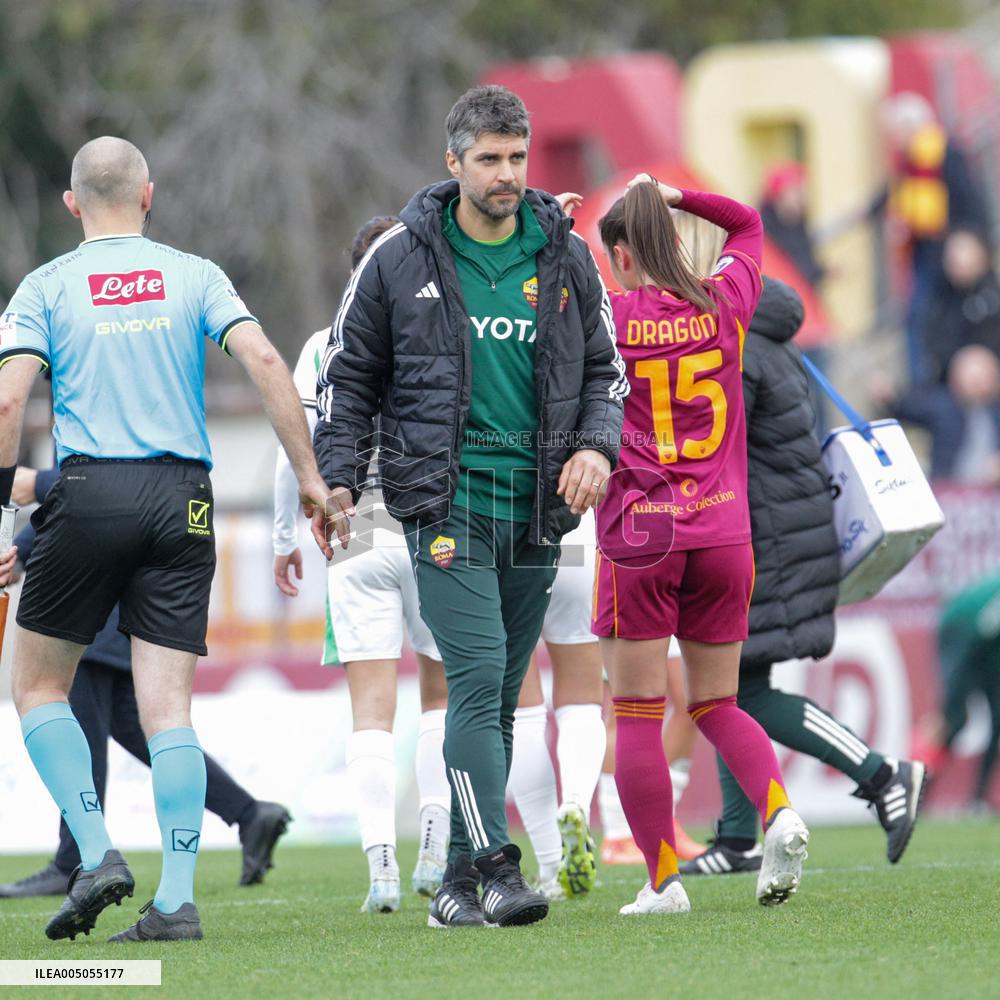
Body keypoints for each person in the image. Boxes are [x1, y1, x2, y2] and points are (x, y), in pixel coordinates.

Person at [0, 137, 330, 943]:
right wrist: (312, 479)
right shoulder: (194, 274)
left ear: (72, 203)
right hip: (184, 498)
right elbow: (260, 356)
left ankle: (98, 852)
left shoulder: (45, 286)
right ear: (148, 194)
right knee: (169, 708)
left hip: (90, 491)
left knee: (38, 685)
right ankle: (176, 902)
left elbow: (9, 402)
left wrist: (5, 507)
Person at [314, 85, 626, 928]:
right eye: (488, 159)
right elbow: (346, 378)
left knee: (492, 698)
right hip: (441, 502)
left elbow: (607, 371)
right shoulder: (398, 259)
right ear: (453, 163)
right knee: (482, 673)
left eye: (517, 158)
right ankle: (495, 863)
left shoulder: (564, 254)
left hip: (539, 509)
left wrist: (596, 447)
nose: (506, 174)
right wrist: (337, 479)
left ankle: (453, 887)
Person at [593, 174, 808, 915]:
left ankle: (662, 882)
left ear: (620, 256)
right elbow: (747, 222)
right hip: (723, 524)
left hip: (642, 529)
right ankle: (779, 810)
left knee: (638, 713)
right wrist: (677, 194)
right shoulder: (725, 300)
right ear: (677, 238)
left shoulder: (606, 316)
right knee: (718, 701)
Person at [679, 277, 927, 879]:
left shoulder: (738, 349)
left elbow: (709, 444)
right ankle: (739, 837)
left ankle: (882, 773)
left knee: (741, 692)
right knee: (728, 683)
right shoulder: (771, 338)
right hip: (783, 532)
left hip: (769, 540)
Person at [273, 216, 451, 915]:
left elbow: (296, 443)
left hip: (355, 527)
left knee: (370, 712)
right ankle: (435, 847)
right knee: (442, 697)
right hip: (435, 527)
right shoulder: (441, 330)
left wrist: (283, 536)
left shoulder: (324, 343)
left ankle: (380, 865)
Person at [0, 469, 291, 897]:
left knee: (78, 722)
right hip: (131, 585)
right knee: (132, 727)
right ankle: (248, 813)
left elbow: (87, 484)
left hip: (95, 593)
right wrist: (21, 551)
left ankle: (76, 858)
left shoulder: (93, 417)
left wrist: (37, 485)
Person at [881, 92, 990, 382]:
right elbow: (893, 194)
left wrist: (969, 244)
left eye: (897, 132)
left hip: (948, 251)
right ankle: (925, 382)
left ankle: (934, 382)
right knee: (918, 318)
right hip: (923, 249)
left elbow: (972, 204)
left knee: (933, 319)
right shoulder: (910, 161)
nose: (895, 139)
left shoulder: (947, 154)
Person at [913, 571, 1000, 811]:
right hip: (962, 630)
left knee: (998, 720)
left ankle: (979, 799)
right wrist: (954, 695)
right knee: (954, 717)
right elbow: (984, 625)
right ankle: (916, 792)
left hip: (989, 646)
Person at [873, 344, 1000, 483]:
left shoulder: (994, 413)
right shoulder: (943, 407)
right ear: (955, 378)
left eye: (984, 377)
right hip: (948, 490)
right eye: (973, 377)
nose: (978, 384)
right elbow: (909, 408)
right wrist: (890, 399)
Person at [923, 228, 1000, 385]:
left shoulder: (991, 298)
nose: (956, 259)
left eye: (963, 250)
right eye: (951, 254)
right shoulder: (940, 299)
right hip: (949, 387)